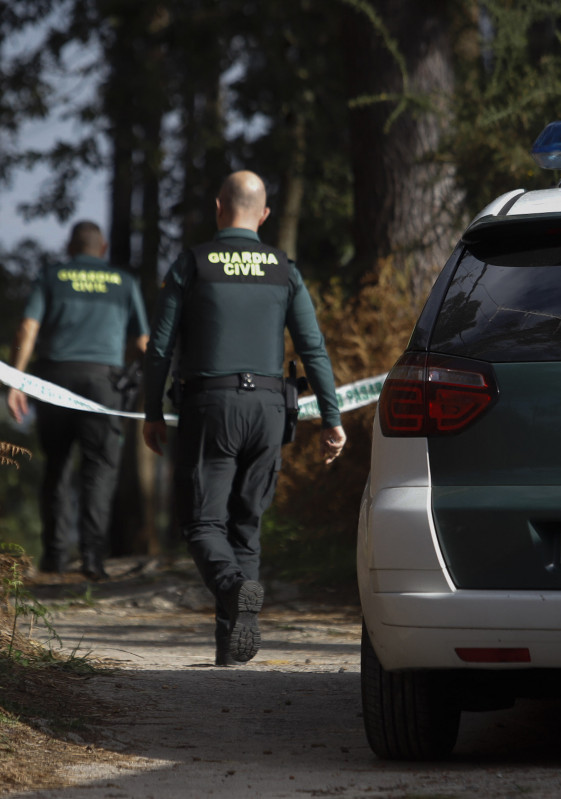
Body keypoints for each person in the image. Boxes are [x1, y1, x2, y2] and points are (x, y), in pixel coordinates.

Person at [141, 170, 347, 666]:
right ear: (265, 214)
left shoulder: (192, 263)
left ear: (218, 207)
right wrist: (332, 417)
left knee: (202, 523)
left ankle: (234, 589)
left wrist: (152, 411)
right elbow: (313, 348)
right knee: (245, 525)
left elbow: (160, 347)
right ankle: (231, 648)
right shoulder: (284, 269)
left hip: (211, 406)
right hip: (271, 409)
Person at [7, 221, 148, 580]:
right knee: (99, 469)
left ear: (70, 248)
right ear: (103, 248)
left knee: (57, 465)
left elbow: (28, 327)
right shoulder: (124, 282)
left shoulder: (51, 276)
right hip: (104, 382)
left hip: (55, 378)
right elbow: (143, 343)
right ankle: (92, 559)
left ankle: (55, 558)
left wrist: (16, 380)